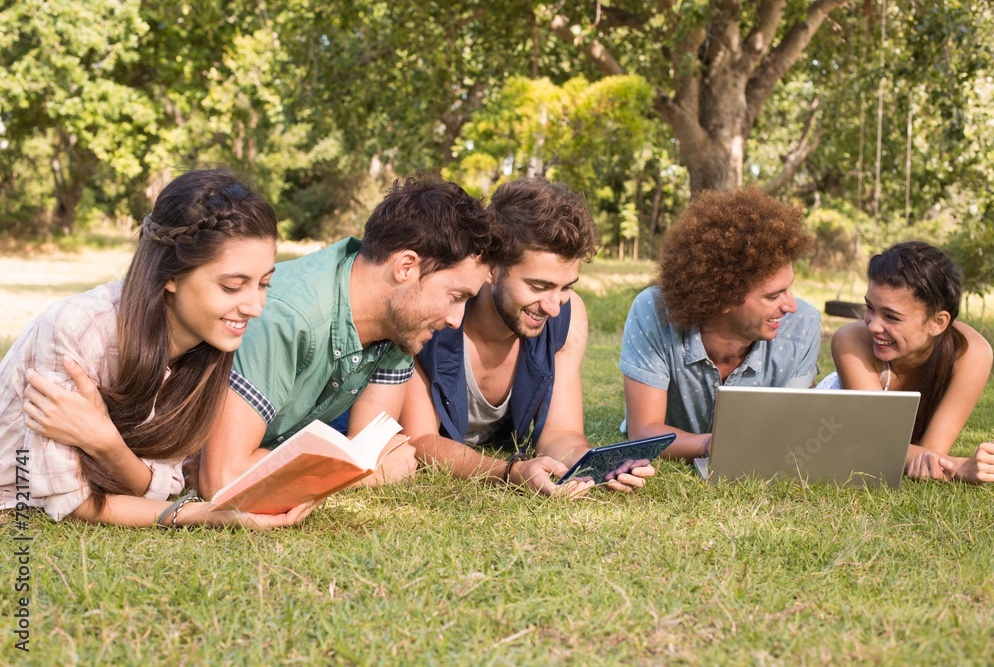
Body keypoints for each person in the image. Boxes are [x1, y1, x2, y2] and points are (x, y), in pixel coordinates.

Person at [0, 168, 313, 528]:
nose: (255, 307)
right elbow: (70, 501)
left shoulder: (208, 345)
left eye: (264, 284)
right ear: (171, 276)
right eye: (231, 287)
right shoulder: (76, 329)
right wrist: (204, 515)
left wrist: (106, 444)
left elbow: (157, 487)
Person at [197, 176, 502, 497]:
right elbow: (222, 478)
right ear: (406, 267)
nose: (457, 320)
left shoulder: (398, 322)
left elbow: (372, 447)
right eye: (455, 296)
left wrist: (354, 462)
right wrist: (358, 475)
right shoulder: (291, 316)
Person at [400, 178, 654, 495]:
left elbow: (560, 431)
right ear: (490, 267)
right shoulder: (435, 317)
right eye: (538, 286)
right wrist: (510, 472)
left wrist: (590, 464)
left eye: (566, 287)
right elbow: (421, 441)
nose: (553, 307)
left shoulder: (569, 316)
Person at [620, 188, 821, 460]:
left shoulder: (803, 325)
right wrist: (711, 446)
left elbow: (794, 430)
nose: (791, 306)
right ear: (722, 296)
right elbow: (643, 432)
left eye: (789, 289)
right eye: (773, 296)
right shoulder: (653, 312)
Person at [822, 241, 994, 483]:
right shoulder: (850, 341)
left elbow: (931, 454)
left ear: (938, 322)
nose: (873, 325)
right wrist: (961, 468)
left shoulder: (971, 353)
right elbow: (878, 444)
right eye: (870, 307)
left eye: (892, 317)